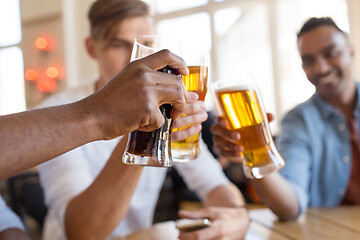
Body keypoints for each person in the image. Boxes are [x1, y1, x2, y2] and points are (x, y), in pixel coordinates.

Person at [37, 0, 249, 240]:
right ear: (91, 48)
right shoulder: (57, 112)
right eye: (119, 45)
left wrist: (235, 217)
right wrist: (141, 131)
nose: (135, 61)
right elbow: (83, 233)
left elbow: (212, 182)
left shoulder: (166, 107)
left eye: (145, 46)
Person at [211, 16, 360, 221]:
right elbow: (290, 207)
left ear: (351, 51)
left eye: (331, 53)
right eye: (308, 61)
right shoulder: (298, 120)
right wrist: (252, 156)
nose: (321, 68)